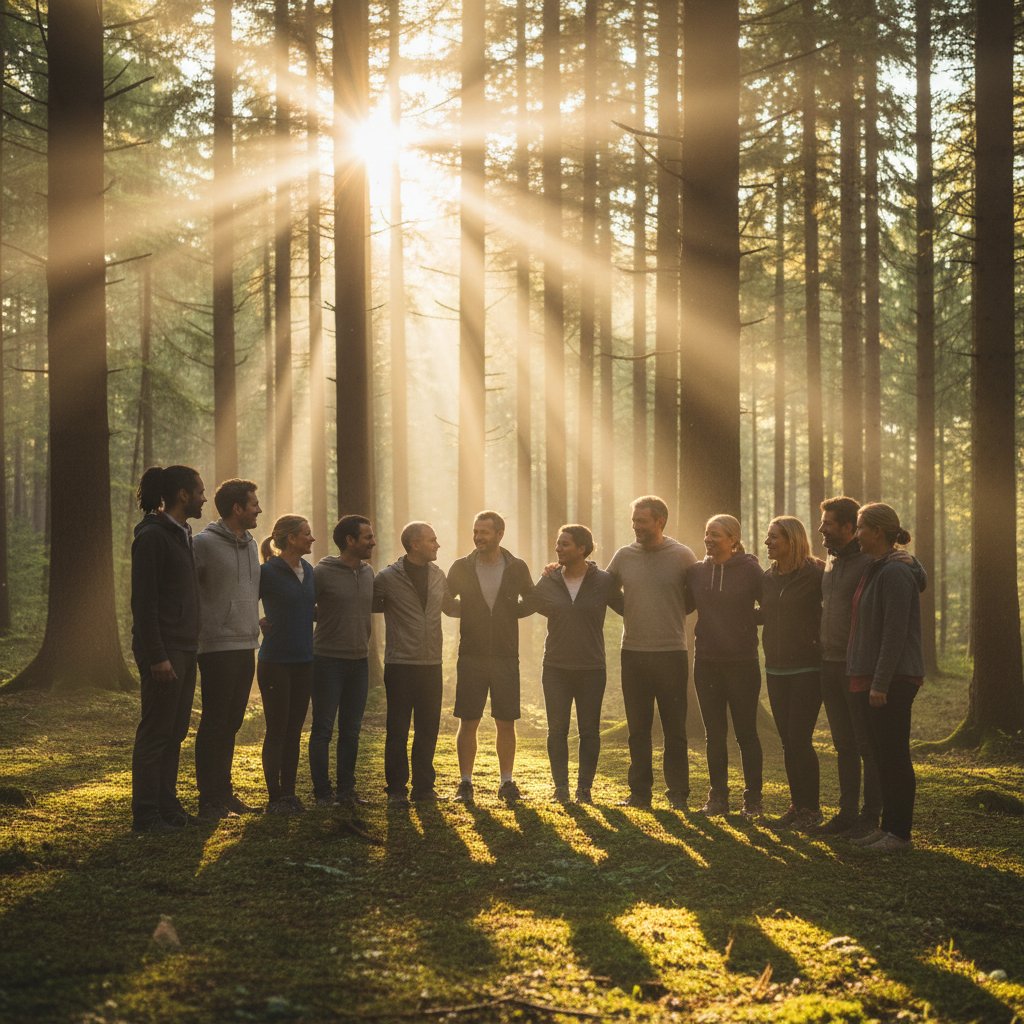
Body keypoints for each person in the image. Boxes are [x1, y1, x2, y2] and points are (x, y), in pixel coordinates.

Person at [606, 495, 698, 810]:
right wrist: (628, 609)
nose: (636, 527)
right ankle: (640, 794)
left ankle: (678, 795)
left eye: (642, 521)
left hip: (672, 652)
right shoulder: (623, 556)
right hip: (632, 652)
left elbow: (696, 595)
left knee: (675, 728)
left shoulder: (683, 556)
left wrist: (673, 613)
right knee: (638, 728)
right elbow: (605, 589)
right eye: (634, 521)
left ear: (660, 521)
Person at [130, 465, 206, 833]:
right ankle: (145, 815)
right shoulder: (152, 537)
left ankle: (167, 805)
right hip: (165, 649)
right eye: (201, 491)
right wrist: (157, 655)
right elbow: (143, 604)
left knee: (175, 730)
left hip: (185, 645)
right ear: (183, 495)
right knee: (156, 731)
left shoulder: (183, 533)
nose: (205, 498)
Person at [846, 503, 926, 853]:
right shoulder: (880, 567)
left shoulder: (894, 572)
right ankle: (888, 829)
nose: (856, 533)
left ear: (877, 532)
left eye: (861, 527)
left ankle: (899, 834)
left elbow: (894, 634)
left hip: (893, 679)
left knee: (893, 755)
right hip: (875, 676)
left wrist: (879, 683)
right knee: (882, 754)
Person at [446, 511, 534, 805]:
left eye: (484, 531)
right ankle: (465, 783)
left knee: (505, 720)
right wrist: (473, 615)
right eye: (475, 531)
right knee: (468, 719)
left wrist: (508, 614)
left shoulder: (517, 567)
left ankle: (507, 782)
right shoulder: (461, 567)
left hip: (506, 655)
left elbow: (531, 601)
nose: (478, 537)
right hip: (471, 654)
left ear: (499, 534)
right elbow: (447, 602)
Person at [531, 524, 622, 804]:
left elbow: (627, 607)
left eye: (565, 544)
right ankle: (561, 789)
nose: (558, 548)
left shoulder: (604, 581)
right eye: (558, 544)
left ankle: (584, 790)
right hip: (556, 667)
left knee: (589, 730)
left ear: (582, 549)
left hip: (591, 668)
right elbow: (533, 604)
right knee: (557, 730)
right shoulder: (549, 580)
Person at [373, 522, 458, 806]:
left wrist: (490, 607)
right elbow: (367, 604)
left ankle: (423, 788)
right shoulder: (386, 577)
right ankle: (396, 789)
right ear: (414, 544)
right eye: (432, 540)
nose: (437, 545)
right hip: (400, 663)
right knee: (397, 728)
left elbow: (450, 607)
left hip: (431, 662)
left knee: (428, 728)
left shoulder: (438, 575)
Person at [685, 514, 764, 818]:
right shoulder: (695, 572)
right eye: (707, 533)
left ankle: (753, 800)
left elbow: (768, 606)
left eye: (716, 534)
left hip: (742, 662)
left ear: (733, 539)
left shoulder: (750, 570)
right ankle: (718, 798)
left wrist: (744, 621)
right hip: (706, 662)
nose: (709, 539)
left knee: (746, 733)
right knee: (714, 733)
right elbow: (682, 603)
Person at [193, 478, 262, 820]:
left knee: (232, 722)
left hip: (246, 643)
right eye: (253, 504)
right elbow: (189, 592)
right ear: (237, 508)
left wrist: (254, 620)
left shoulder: (251, 545)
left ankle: (224, 794)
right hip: (216, 647)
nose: (258, 509)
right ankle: (209, 800)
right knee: (215, 722)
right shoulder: (203, 544)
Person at [815, 496, 880, 838]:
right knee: (843, 743)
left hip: (857, 667)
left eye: (827, 523)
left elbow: (910, 570)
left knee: (865, 742)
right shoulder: (829, 561)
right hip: (829, 664)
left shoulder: (870, 562)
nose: (821, 529)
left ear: (848, 527)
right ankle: (846, 813)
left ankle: (871, 816)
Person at [762, 515, 825, 831]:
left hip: (807, 668)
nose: (768, 543)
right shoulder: (767, 577)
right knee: (788, 740)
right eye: (768, 537)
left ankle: (812, 811)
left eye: (774, 537)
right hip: (775, 668)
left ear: (792, 540)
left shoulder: (817, 574)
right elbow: (764, 613)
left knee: (800, 738)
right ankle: (797, 806)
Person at [309, 514, 375, 807]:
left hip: (359, 662)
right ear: (350, 541)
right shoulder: (322, 572)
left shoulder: (368, 572)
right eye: (367, 537)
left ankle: (346, 791)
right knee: (323, 728)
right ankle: (322, 793)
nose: (372, 542)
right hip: (327, 661)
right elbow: (303, 604)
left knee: (351, 729)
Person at [258, 515, 316, 814]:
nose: (312, 539)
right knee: (277, 728)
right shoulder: (268, 571)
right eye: (307, 534)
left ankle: (290, 793)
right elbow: (245, 601)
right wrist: (257, 621)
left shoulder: (308, 569)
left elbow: (309, 609)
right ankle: (274, 797)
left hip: (305, 660)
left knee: (295, 729)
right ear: (291, 538)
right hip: (275, 661)